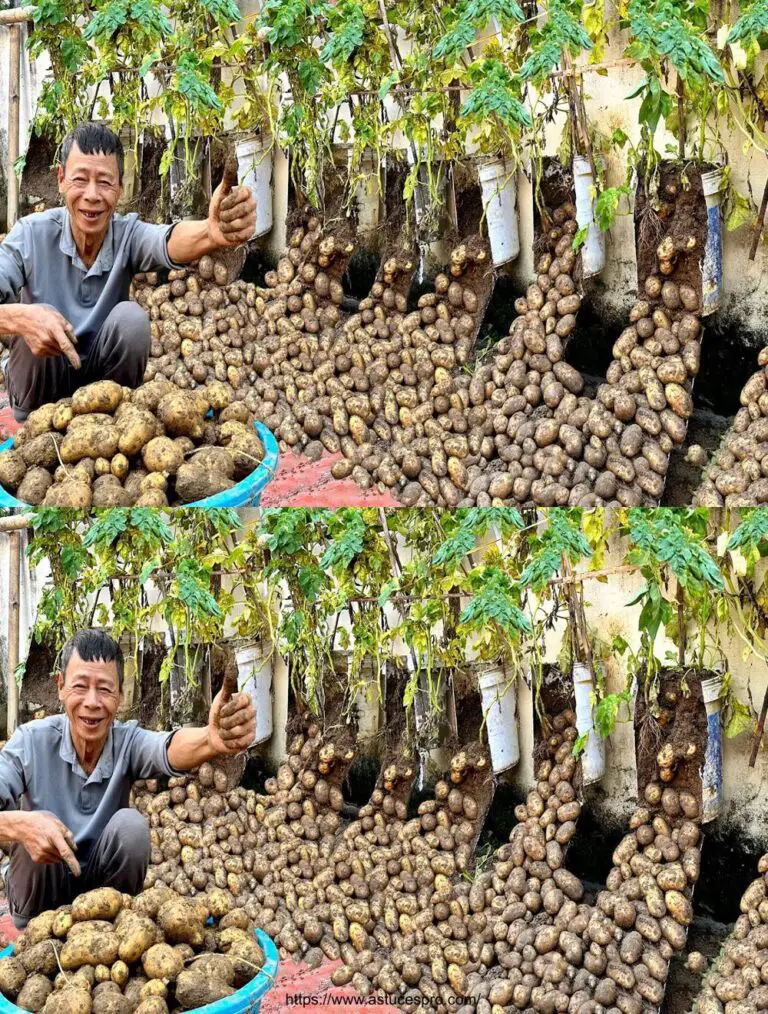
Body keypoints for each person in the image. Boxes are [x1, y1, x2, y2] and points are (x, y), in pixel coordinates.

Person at [0, 628, 257, 928]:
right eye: (80, 686)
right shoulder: (30, 742)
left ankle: (113, 932)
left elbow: (167, 747)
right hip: (42, 895)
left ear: (120, 695)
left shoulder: (126, 742)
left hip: (104, 894)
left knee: (131, 827)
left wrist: (210, 740)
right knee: (35, 824)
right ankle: (37, 938)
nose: (92, 702)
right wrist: (20, 825)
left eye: (105, 689)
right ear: (61, 687)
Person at [0, 122, 257, 421]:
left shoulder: (127, 235)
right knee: (35, 316)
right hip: (41, 386)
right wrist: (19, 318)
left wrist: (210, 233)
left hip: (103, 387)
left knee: (131, 320)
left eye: (105, 182)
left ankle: (113, 424)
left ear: (120, 188)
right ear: (61, 180)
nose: (92, 195)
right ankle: (36, 430)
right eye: (80, 179)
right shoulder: (30, 235)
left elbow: (167, 240)